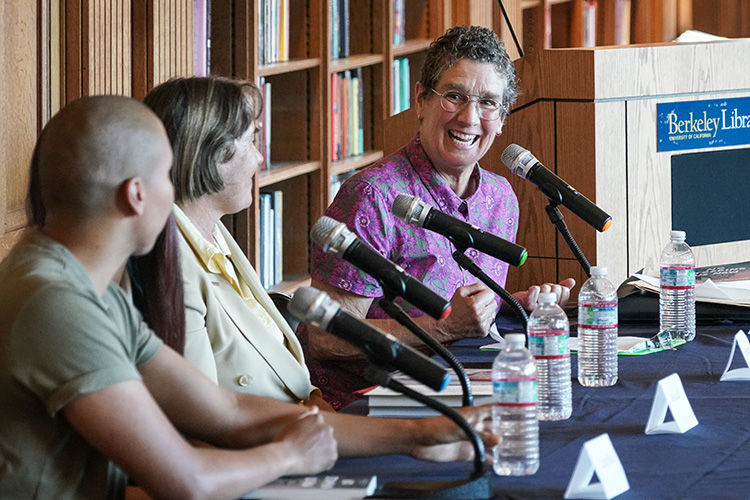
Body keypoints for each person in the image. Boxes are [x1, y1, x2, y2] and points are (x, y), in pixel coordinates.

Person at [0, 95, 496, 499]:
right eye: (167, 175)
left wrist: (423, 434)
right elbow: (186, 480)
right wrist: (288, 455)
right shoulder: (56, 302)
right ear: (136, 194)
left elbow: (224, 410)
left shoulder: (87, 283)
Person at [302, 25, 576, 409]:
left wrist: (515, 304)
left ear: (502, 119)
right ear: (420, 101)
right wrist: (444, 327)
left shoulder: (500, 197)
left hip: (460, 385)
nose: (469, 118)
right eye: (454, 96)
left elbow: (466, 314)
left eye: (487, 103)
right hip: (369, 403)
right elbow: (325, 336)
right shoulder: (373, 197)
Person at [140, 76, 330, 409]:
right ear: (211, 153)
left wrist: (317, 401)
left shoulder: (214, 233)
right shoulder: (171, 265)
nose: (259, 159)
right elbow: (202, 418)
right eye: (252, 140)